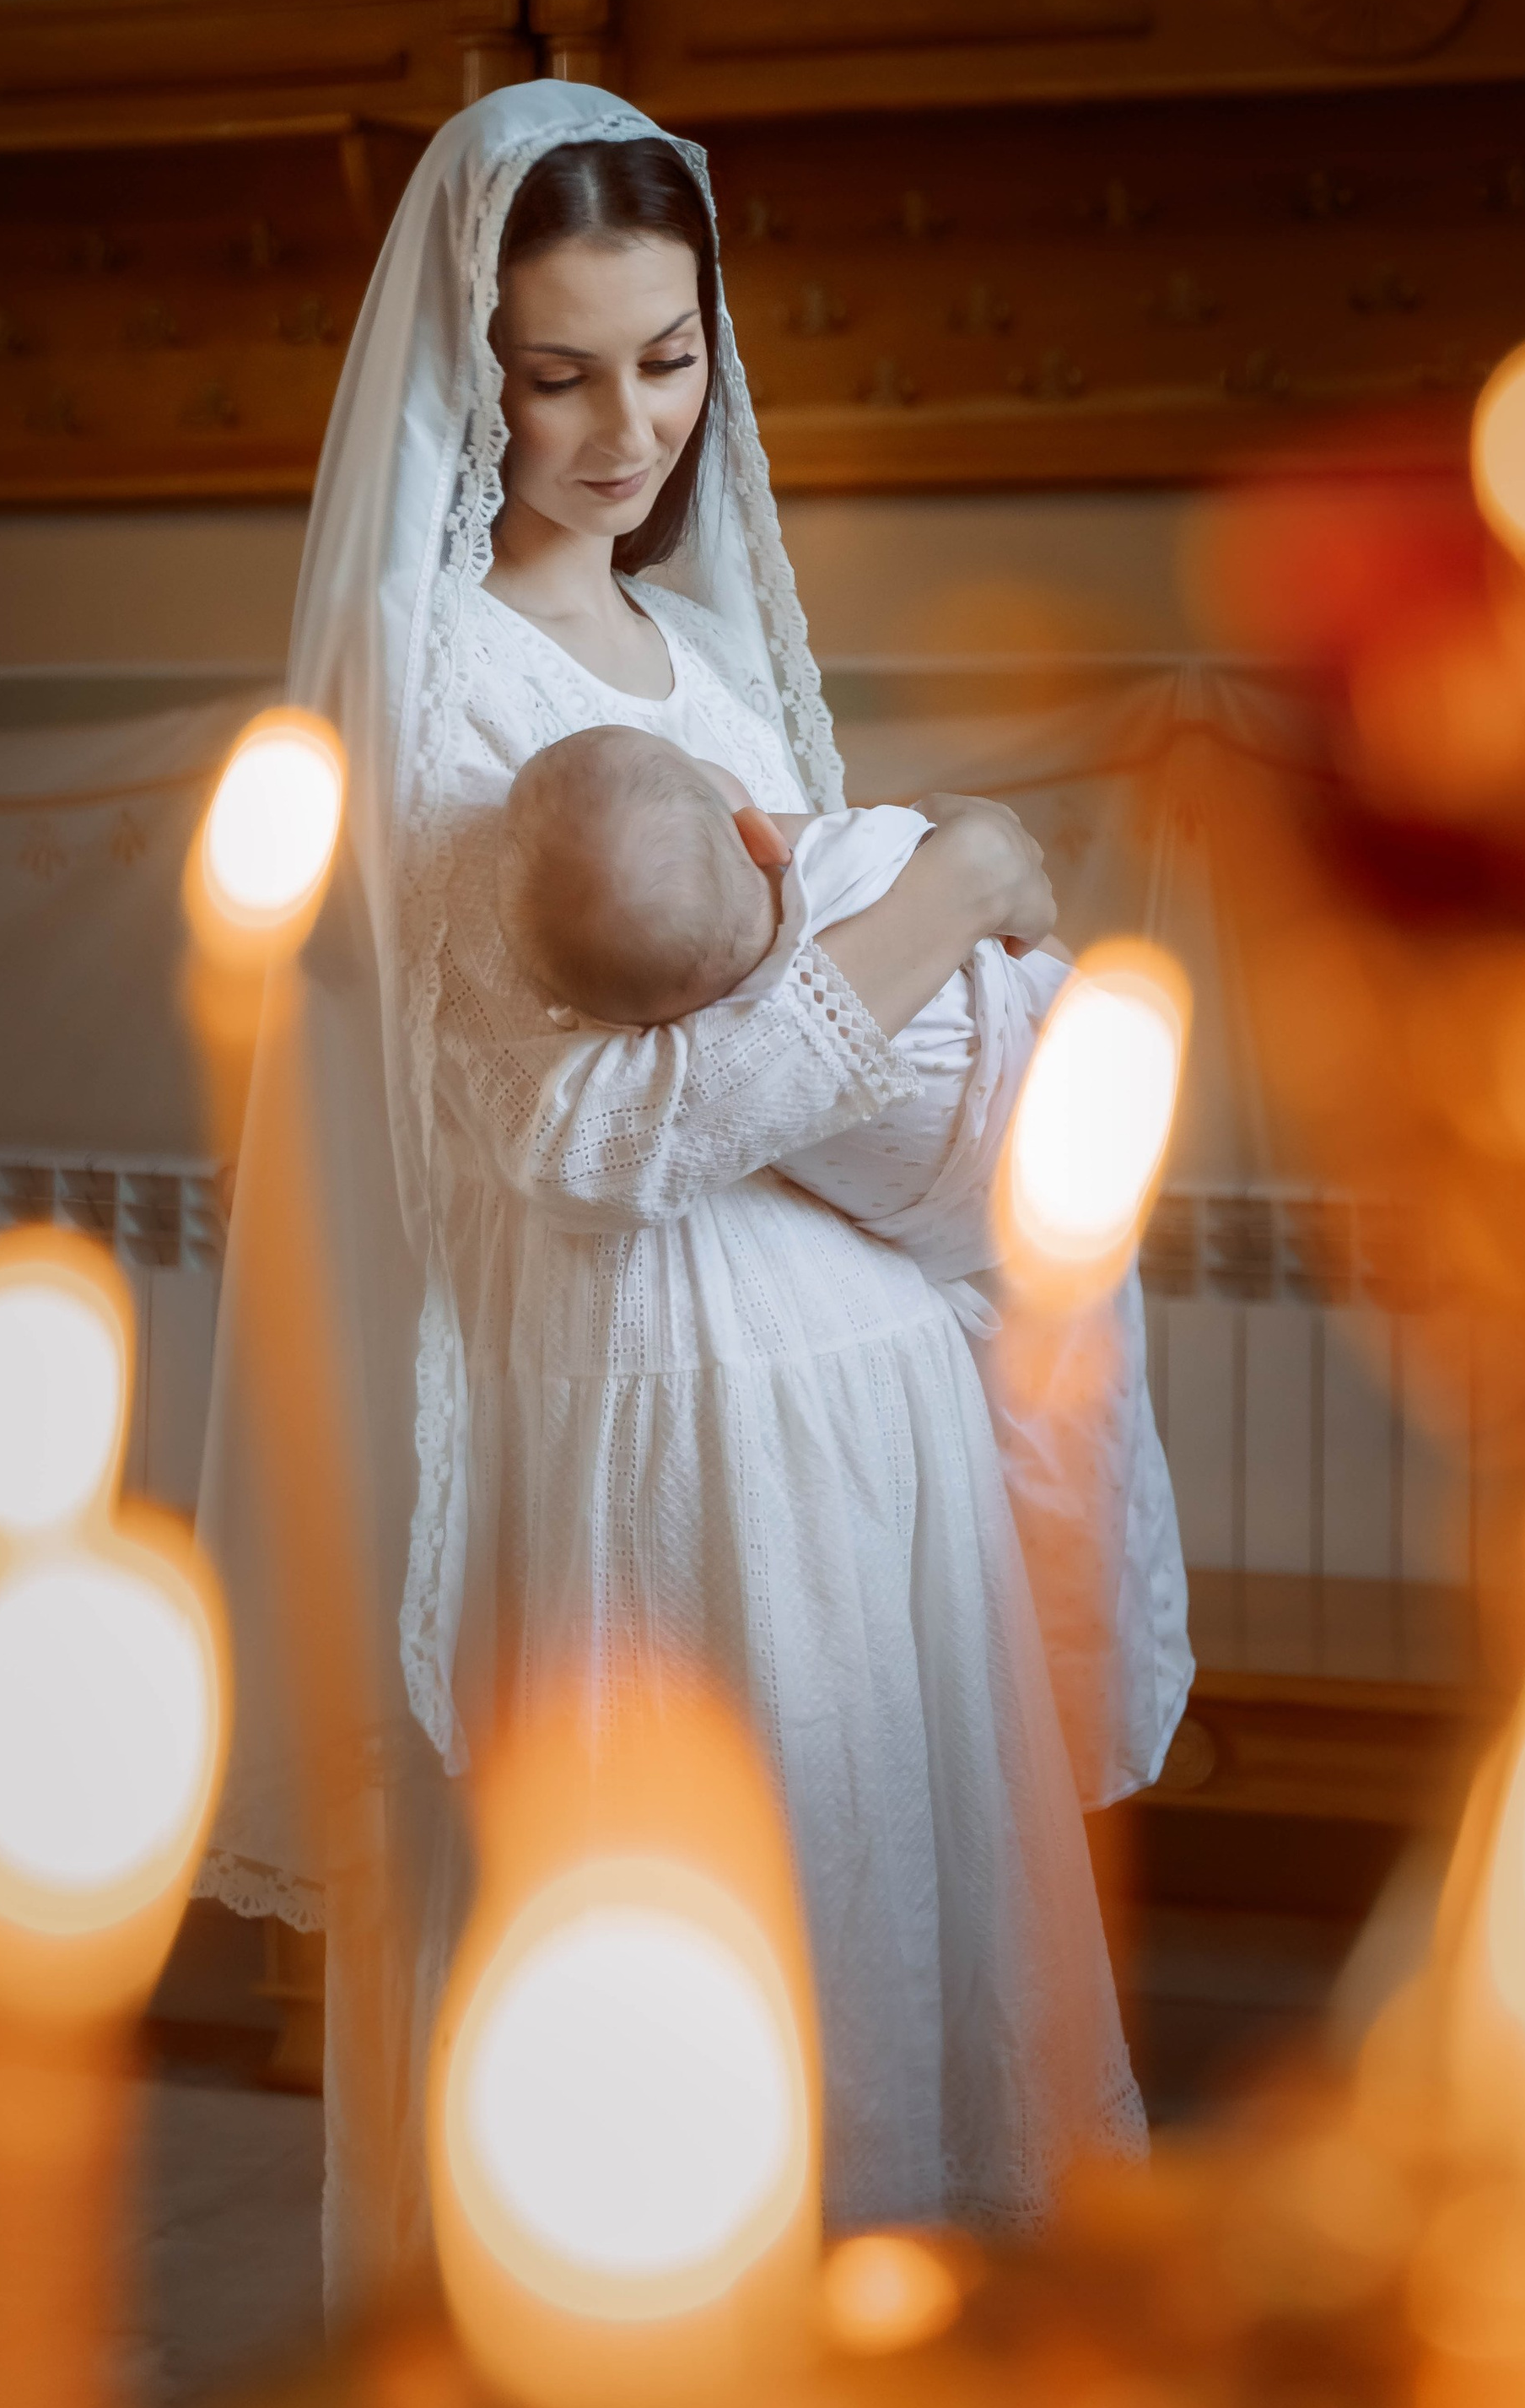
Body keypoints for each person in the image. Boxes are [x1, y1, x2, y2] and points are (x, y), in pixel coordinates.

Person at [195, 84, 1147, 2305]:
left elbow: (776, 993)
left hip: (849, 1452)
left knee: (884, 2001)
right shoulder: (446, 700)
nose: (626, 428)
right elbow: (603, 1140)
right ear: (472, 370)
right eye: (560, 371)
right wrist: (969, 891)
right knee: (681, 2044)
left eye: (668, 355)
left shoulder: (694, 649)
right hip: (659, 1449)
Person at [493, 721, 1194, 1806]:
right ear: (752, 828)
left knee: (1060, 1450)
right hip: (1058, 1101)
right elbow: (1017, 906)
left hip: (952, 1230)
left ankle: (1091, 1713)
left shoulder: (692, 1050)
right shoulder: (847, 868)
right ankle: (1121, 1704)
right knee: (1095, 1403)